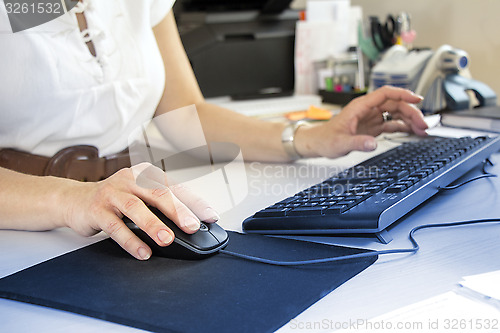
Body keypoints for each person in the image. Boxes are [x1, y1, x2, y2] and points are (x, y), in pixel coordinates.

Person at [0, 0, 428, 260]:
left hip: (129, 207)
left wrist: (309, 137)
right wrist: (70, 198)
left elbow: (188, 115)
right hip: (19, 226)